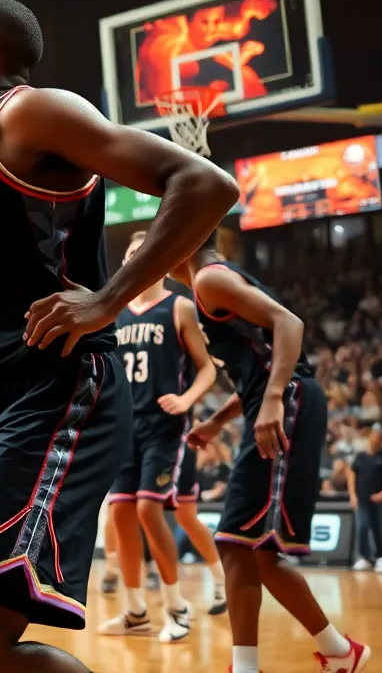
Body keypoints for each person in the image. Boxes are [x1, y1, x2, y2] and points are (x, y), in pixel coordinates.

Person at [0, 0, 239, 673]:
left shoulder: (31, 111)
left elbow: (204, 182)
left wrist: (109, 299)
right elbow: (11, 292)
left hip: (53, 390)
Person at [177, 231, 370, 673]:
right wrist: (219, 420)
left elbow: (290, 324)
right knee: (253, 548)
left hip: (291, 399)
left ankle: (252, 666)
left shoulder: (209, 279)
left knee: (234, 540)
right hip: (283, 398)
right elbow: (259, 368)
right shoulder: (210, 282)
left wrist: (273, 397)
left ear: (183, 238)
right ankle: (339, 652)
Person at [100, 230, 224, 642]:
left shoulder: (179, 306)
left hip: (164, 428)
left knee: (149, 510)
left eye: (143, 250)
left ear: (160, 257)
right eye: (130, 253)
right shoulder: (114, 313)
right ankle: (135, 612)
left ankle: (176, 607)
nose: (136, 257)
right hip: (123, 429)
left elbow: (207, 368)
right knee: (121, 514)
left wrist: (186, 398)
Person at [349, 422, 382, 572]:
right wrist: (352, 495)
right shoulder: (361, 456)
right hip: (362, 499)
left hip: (379, 500)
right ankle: (365, 557)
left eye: (378, 436)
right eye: (373, 435)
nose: (375, 439)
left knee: (379, 529)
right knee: (362, 527)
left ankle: (381, 556)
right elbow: (352, 475)